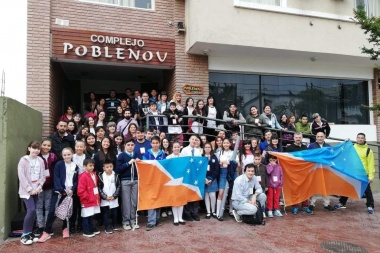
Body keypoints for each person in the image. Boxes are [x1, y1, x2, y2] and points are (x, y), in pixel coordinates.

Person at [38, 147, 79, 242]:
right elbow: (56, 178)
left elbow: (76, 180)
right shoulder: (59, 164)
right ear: (62, 156)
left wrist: (72, 189)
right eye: (65, 155)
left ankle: (65, 228)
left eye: (69, 154)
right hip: (59, 192)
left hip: (70, 193)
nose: (67, 156)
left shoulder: (75, 166)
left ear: (72, 154)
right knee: (52, 211)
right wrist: (62, 189)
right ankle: (46, 232)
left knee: (67, 212)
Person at [334, 133, 375, 214]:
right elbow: (342, 149)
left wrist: (371, 176)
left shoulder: (368, 150)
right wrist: (345, 142)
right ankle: (342, 203)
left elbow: (371, 164)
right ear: (356, 139)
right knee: (347, 187)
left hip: (363, 174)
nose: (360, 139)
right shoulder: (352, 147)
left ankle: (370, 206)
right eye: (359, 138)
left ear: (364, 139)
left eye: (362, 138)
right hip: (352, 172)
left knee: (367, 191)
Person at [18, 141, 46, 245]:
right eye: (34, 148)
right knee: (31, 210)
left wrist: (39, 187)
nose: (36, 150)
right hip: (26, 191)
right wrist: (30, 189)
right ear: (29, 148)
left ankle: (29, 232)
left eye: (38, 149)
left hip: (37, 190)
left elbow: (43, 176)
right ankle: (24, 234)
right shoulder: (23, 160)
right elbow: (21, 176)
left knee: (34, 212)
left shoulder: (40, 160)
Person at [307, 132, 335, 213]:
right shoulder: (311, 146)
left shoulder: (328, 146)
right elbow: (308, 157)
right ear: (316, 137)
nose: (319, 138)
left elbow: (332, 157)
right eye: (318, 136)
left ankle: (327, 204)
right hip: (315, 169)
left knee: (325, 187)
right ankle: (312, 204)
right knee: (315, 186)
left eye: (321, 136)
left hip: (325, 170)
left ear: (324, 137)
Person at [116, 138, 141, 230]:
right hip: (125, 181)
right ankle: (126, 221)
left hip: (135, 180)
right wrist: (128, 163)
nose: (130, 147)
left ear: (134, 146)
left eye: (132, 145)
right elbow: (118, 169)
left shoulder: (137, 154)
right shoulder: (121, 156)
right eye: (128, 145)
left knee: (134, 202)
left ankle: (133, 220)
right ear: (125, 146)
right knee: (126, 202)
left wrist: (139, 162)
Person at [143, 136, 166, 231]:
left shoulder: (163, 154)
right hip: (150, 180)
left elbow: (165, 167)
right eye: (153, 143)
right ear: (151, 144)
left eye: (157, 143)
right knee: (151, 199)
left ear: (159, 143)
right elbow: (143, 166)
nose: (155, 144)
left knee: (158, 198)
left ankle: (156, 219)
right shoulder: (146, 153)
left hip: (159, 180)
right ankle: (151, 221)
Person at [286, 133, 313, 215]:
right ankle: (295, 206)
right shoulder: (289, 148)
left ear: (302, 138)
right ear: (294, 138)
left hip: (304, 172)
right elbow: (287, 159)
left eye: (299, 137)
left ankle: (305, 206)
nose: (298, 139)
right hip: (293, 172)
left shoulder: (305, 147)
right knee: (295, 190)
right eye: (296, 137)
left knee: (304, 189)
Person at [35, 139, 57, 237]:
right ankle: (40, 226)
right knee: (39, 206)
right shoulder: (37, 156)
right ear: (41, 145)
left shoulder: (53, 156)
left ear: (51, 147)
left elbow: (55, 170)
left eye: (48, 145)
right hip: (39, 186)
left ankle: (48, 226)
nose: (46, 147)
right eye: (44, 145)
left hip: (50, 185)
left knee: (48, 206)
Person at [216, 138, 239, 220]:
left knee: (233, 192)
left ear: (230, 144)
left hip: (232, 173)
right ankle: (218, 212)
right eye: (224, 143)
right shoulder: (219, 153)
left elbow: (237, 163)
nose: (225, 144)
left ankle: (231, 210)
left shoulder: (234, 152)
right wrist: (221, 163)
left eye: (227, 143)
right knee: (221, 193)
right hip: (223, 173)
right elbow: (216, 164)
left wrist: (228, 162)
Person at [180, 135, 203, 221]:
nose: (194, 141)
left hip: (195, 175)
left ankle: (195, 213)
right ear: (189, 140)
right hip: (187, 175)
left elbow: (200, 163)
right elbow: (182, 162)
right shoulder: (184, 150)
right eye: (192, 139)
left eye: (195, 140)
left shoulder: (198, 151)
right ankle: (187, 213)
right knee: (187, 193)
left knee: (195, 192)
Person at [77, 158, 101, 238]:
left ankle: (91, 227)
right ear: (84, 166)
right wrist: (87, 197)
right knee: (86, 215)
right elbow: (80, 191)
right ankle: (86, 230)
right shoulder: (83, 176)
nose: (92, 167)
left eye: (93, 165)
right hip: (87, 200)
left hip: (93, 198)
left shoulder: (94, 174)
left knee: (91, 215)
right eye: (90, 165)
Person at [98, 159, 121, 233]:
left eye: (111, 166)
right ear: (103, 168)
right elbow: (99, 188)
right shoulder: (101, 176)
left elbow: (119, 187)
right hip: (105, 199)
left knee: (114, 213)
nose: (109, 168)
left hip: (114, 198)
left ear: (113, 167)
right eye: (107, 167)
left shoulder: (116, 176)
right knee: (106, 214)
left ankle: (114, 225)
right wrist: (105, 197)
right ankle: (107, 226)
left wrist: (115, 196)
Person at [166, 141, 186, 225]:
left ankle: (180, 217)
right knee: (174, 199)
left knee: (181, 199)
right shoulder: (168, 158)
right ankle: (175, 218)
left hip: (182, 180)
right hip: (173, 180)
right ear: (172, 148)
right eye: (175, 147)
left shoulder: (184, 157)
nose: (177, 148)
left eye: (178, 147)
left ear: (180, 147)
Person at [203, 143, 219, 219]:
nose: (207, 148)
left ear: (211, 148)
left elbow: (217, 169)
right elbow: (200, 170)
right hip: (204, 179)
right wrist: (205, 179)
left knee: (212, 195)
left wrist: (211, 179)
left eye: (209, 147)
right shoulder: (201, 157)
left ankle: (213, 211)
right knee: (206, 195)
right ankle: (208, 212)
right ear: (203, 148)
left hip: (212, 179)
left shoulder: (214, 157)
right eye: (206, 147)